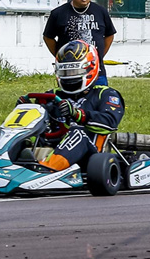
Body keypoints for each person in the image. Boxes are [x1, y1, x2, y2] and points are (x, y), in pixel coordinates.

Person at [28, 40, 124, 172]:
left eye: (74, 72)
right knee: (21, 138)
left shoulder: (106, 94)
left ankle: (47, 170)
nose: (69, 77)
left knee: (77, 132)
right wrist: (27, 110)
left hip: (90, 156)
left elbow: (110, 122)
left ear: (90, 68)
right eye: (66, 73)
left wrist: (77, 114)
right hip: (52, 146)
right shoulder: (52, 95)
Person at [43, 0, 117, 85]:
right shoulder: (58, 13)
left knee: (99, 98)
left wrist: (99, 55)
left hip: (97, 72)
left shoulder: (101, 11)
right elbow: (48, 37)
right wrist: (60, 55)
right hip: (69, 73)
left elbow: (110, 35)